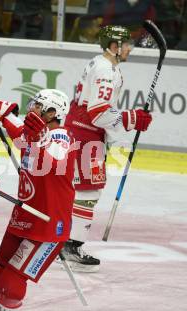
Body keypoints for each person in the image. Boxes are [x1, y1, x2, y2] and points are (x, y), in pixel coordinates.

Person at [62, 25, 153, 272]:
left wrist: (114, 136)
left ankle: (66, 241)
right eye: (126, 43)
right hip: (85, 134)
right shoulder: (106, 71)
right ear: (114, 46)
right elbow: (98, 112)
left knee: (81, 191)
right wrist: (131, 119)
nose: (129, 48)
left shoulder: (100, 64)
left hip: (83, 132)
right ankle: (71, 245)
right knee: (87, 193)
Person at [0, 89, 76, 310]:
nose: (31, 109)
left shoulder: (61, 136)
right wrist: (4, 113)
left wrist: (39, 141)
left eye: (38, 106)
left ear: (53, 113)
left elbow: (56, 160)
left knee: (11, 284)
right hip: (25, 216)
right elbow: (19, 136)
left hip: (47, 223)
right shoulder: (34, 134)